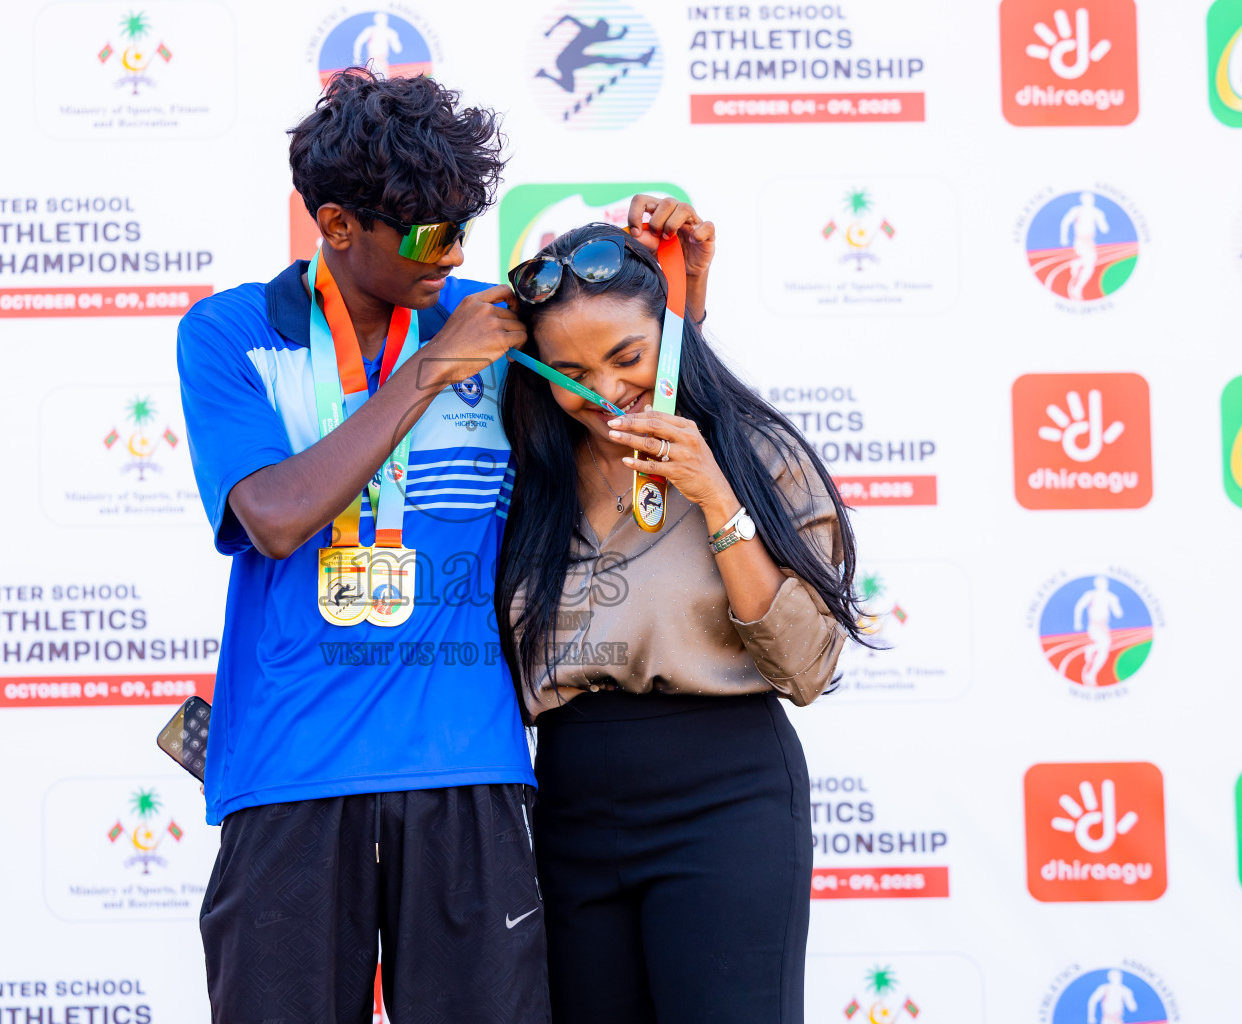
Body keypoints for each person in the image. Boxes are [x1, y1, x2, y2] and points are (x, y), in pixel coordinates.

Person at [178, 70, 675, 1023]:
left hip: (468, 765)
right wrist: (430, 371)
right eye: (427, 234)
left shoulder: (496, 321)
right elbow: (274, 516)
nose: (453, 254)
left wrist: (674, 277)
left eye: (462, 228)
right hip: (290, 766)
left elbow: (633, 403)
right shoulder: (233, 332)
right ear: (336, 225)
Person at [496, 216, 868, 1023]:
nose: (605, 389)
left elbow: (807, 666)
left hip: (724, 798)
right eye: (571, 372)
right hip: (569, 806)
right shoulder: (526, 476)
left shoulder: (753, 454)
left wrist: (715, 495)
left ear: (671, 338)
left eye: (628, 356)